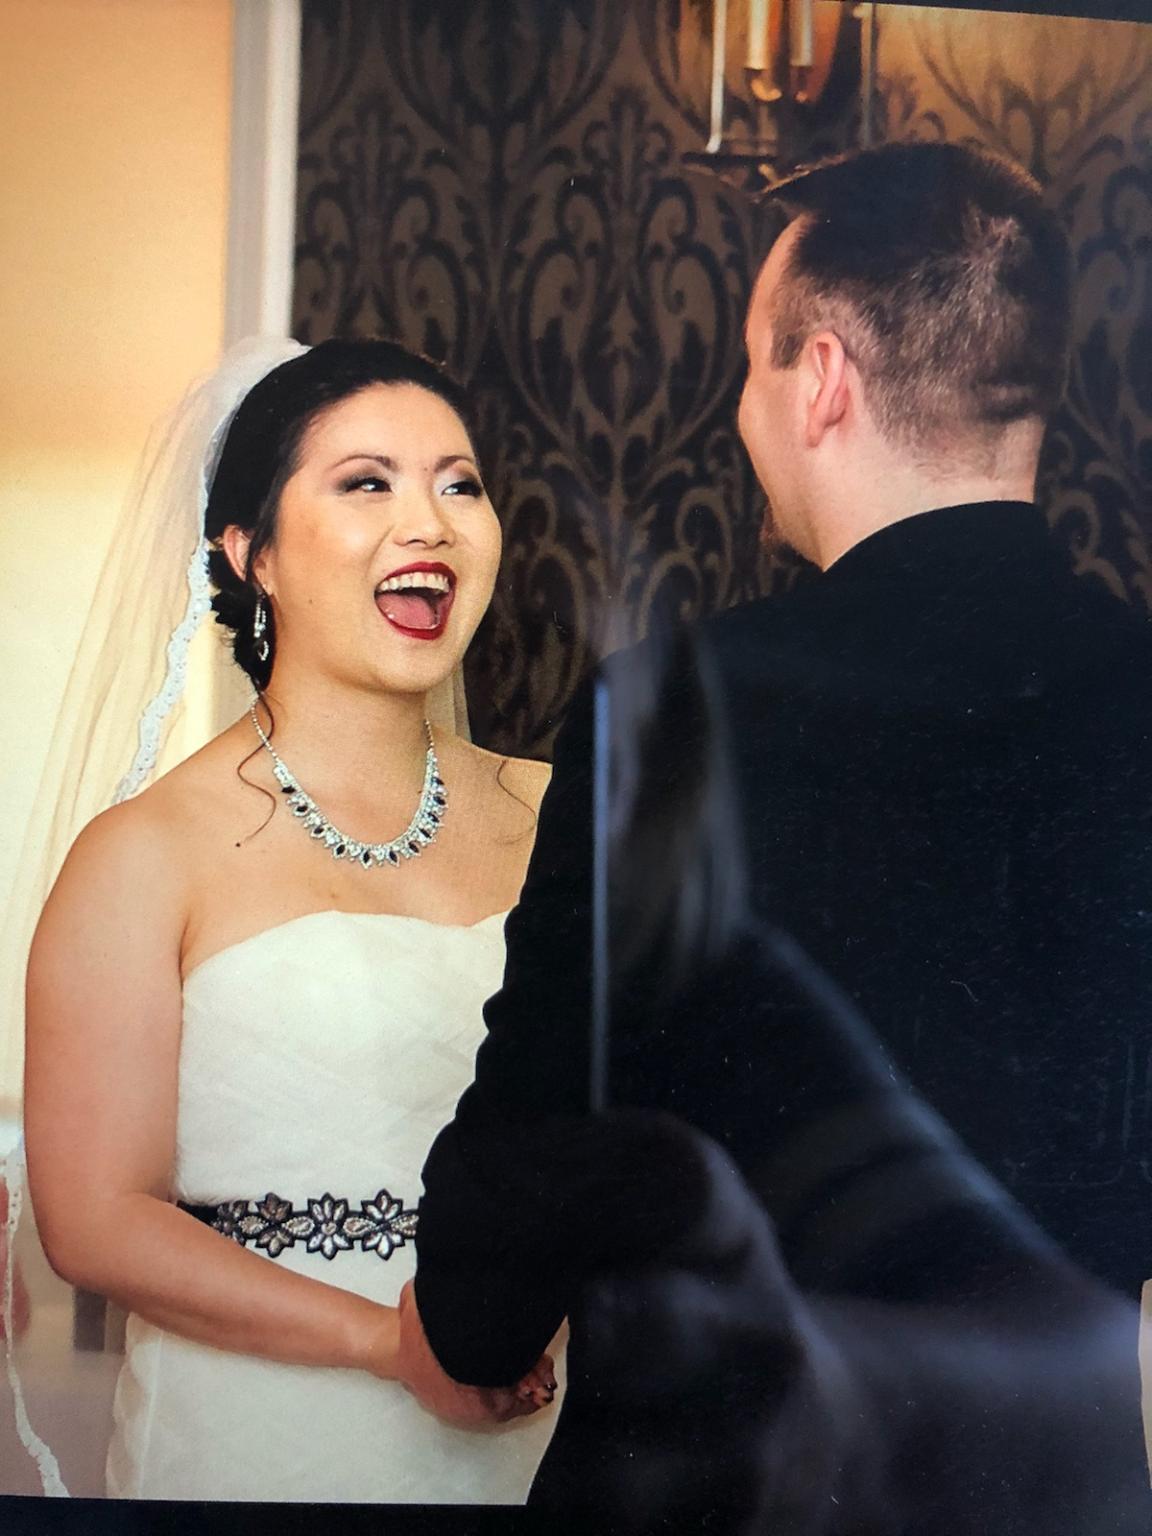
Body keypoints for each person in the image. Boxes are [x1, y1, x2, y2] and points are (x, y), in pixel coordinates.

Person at [404, 141, 1152, 1520]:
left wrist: (466, 1318)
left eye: (752, 365)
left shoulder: (676, 710)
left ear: (821, 382)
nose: (742, 411)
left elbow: (533, 1155)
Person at [21, 337, 560, 1502]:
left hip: (544, 1427)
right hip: (257, 1442)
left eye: (458, 483)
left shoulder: (561, 813)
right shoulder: (142, 855)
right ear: (249, 552)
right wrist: (394, 1346)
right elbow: (94, 1222)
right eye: (367, 483)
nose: (429, 523)